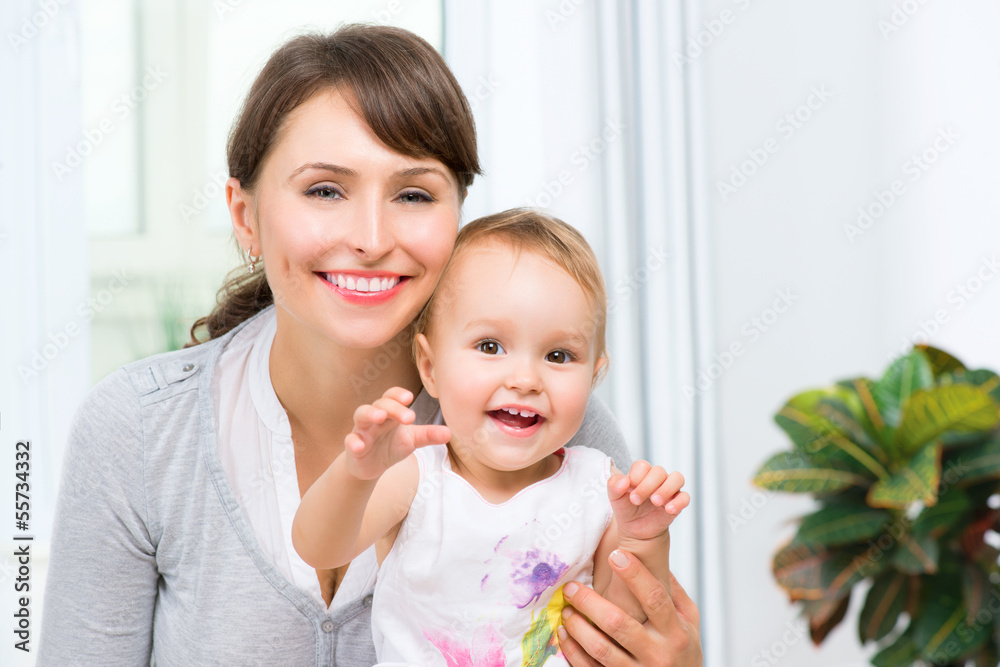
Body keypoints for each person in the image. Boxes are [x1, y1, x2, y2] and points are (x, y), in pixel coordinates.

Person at [38, 24, 702, 666]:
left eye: (414, 193)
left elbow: (624, 629)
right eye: (325, 189)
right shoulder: (140, 429)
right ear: (246, 216)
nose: (372, 235)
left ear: (457, 217)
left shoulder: (554, 429)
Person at [292, 209, 690, 666]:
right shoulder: (418, 477)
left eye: (558, 355)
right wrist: (356, 474)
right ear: (430, 367)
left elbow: (621, 631)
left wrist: (642, 541)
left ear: (594, 376)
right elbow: (316, 547)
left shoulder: (596, 488)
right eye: (490, 346)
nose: (524, 378)